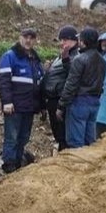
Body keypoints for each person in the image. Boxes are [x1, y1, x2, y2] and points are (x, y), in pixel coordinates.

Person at [0, 27, 44, 173]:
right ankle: (9, 166)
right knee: (12, 137)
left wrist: (41, 106)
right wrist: (7, 102)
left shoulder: (35, 60)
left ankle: (17, 164)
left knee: (23, 137)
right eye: (25, 37)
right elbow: (3, 80)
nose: (28, 40)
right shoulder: (10, 56)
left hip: (29, 107)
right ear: (20, 38)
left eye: (31, 38)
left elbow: (40, 85)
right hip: (14, 107)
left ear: (35, 40)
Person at [59, 27, 106, 149]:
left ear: (84, 41)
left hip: (79, 102)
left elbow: (71, 84)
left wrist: (61, 106)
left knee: (76, 142)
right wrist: (66, 59)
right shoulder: (103, 61)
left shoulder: (80, 59)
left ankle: (77, 161)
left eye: (80, 39)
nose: (79, 42)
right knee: (89, 140)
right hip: (95, 102)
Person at [39, 25, 80, 153]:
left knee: (63, 135)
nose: (62, 43)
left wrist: (65, 58)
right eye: (61, 40)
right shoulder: (61, 56)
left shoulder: (75, 56)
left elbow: (74, 75)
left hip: (61, 101)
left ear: (75, 41)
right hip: (52, 100)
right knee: (58, 134)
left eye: (66, 39)